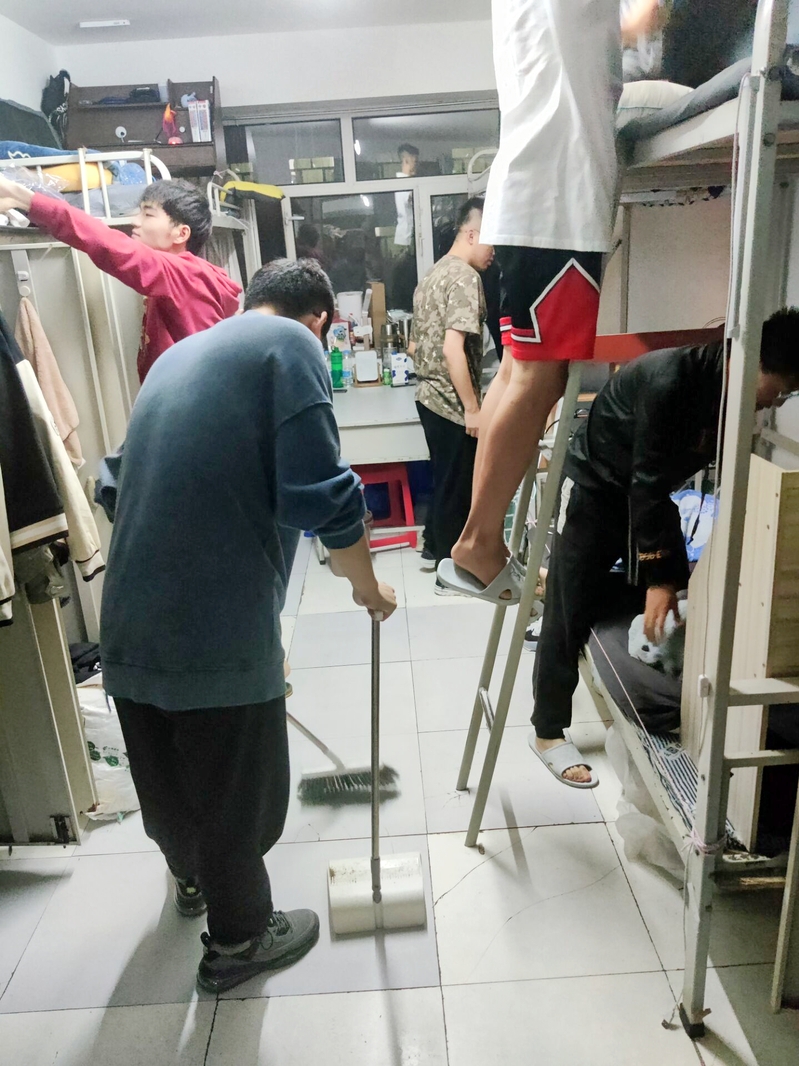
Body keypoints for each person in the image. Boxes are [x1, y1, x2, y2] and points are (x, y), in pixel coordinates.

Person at [95, 259, 397, 993]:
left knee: (168, 774)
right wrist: (367, 588)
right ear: (319, 318)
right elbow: (320, 493)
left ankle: (190, 879)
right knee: (238, 794)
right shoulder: (292, 346)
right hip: (214, 627)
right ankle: (239, 941)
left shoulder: (180, 356)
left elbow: (113, 483)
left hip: (129, 618)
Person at [531, 311, 799, 787]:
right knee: (568, 607)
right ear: (754, 360)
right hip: (600, 486)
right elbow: (648, 484)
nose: (774, 403)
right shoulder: (671, 380)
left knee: (658, 588)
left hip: (650, 495)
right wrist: (660, 578)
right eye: (778, 390)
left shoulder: (731, 392)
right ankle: (547, 731)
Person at [440, 0, 626, 602]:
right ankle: (478, 544)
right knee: (539, 377)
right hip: (561, 195)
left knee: (519, 372)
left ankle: (477, 542)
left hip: (534, 192)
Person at [0, 174, 241, 383]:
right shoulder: (186, 277)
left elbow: (109, 245)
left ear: (181, 233)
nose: (135, 221)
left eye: (148, 214)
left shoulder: (183, 273)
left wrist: (24, 198)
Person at [411, 198, 494, 591]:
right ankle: (450, 573)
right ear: (472, 234)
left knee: (443, 478)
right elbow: (452, 349)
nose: (494, 253)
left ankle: (432, 549)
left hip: (428, 396)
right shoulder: (464, 278)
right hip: (450, 399)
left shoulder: (432, 275)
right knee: (458, 486)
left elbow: (415, 346)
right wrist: (473, 409)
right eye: (491, 242)